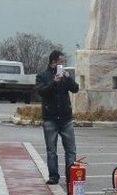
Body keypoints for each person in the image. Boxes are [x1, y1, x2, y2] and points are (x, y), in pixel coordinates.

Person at [36, 50, 79, 185]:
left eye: (63, 62)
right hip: (50, 118)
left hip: (66, 118)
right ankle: (53, 176)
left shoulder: (65, 76)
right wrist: (54, 82)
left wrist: (68, 77)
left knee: (71, 149)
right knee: (51, 150)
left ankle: (70, 175)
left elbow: (75, 89)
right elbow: (41, 92)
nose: (63, 64)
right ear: (53, 62)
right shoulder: (42, 76)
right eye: (61, 62)